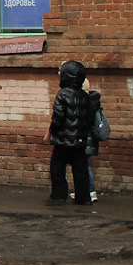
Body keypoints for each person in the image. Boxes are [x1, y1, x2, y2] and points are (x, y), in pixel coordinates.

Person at [45, 60, 95, 206]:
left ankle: (58, 195)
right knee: (81, 170)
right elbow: (90, 118)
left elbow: (57, 117)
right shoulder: (86, 96)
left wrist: (53, 132)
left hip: (63, 140)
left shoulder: (62, 94)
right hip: (80, 140)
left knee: (57, 167)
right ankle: (83, 198)